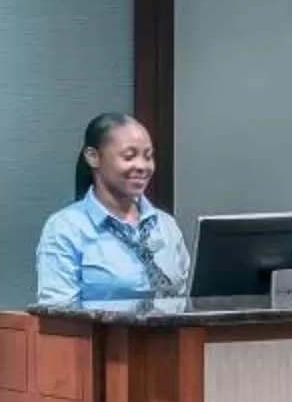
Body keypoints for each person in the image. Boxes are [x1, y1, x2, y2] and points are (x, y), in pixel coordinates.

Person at [36, 111, 189, 306]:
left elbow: (186, 300)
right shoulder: (65, 228)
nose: (142, 166)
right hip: (100, 337)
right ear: (93, 157)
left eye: (148, 156)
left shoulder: (166, 225)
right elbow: (59, 316)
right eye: (129, 156)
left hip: (172, 335)